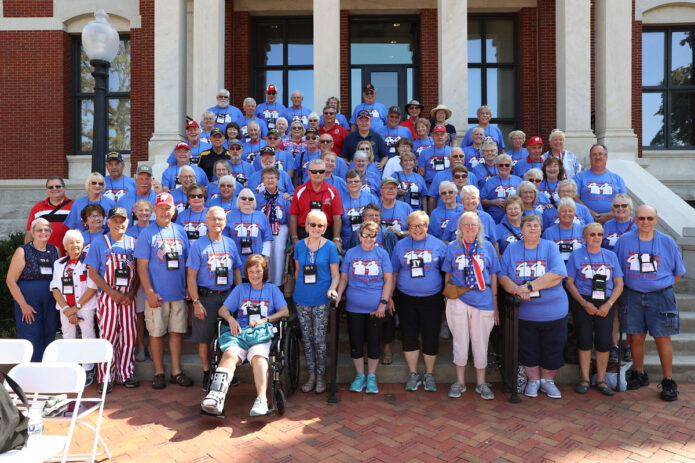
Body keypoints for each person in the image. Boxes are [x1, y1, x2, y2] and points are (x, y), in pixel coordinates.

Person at [200, 255, 290, 416]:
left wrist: (265, 319)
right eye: (251, 272)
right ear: (246, 273)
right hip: (240, 333)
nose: (255, 275)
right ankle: (216, 396)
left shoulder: (272, 290)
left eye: (258, 271)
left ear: (264, 272)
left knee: (259, 357)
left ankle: (261, 399)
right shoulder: (240, 289)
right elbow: (223, 310)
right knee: (229, 355)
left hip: (261, 334)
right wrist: (231, 319)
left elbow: (285, 311)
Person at [614, 205, 686, 401]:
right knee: (635, 337)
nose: (645, 222)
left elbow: (678, 272)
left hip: (660, 296)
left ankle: (668, 380)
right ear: (635, 219)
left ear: (656, 219)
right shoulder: (624, 241)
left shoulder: (667, 242)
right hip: (632, 295)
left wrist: (658, 286)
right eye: (641, 218)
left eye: (649, 218)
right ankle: (639, 372)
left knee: (663, 337)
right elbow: (618, 270)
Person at [499, 214, 568, 399]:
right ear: (521, 230)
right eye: (528, 225)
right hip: (525, 314)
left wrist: (528, 287)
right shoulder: (512, 249)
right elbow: (502, 275)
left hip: (554, 311)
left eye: (536, 225)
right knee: (528, 348)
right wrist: (515, 290)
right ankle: (533, 380)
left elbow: (558, 273)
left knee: (552, 347)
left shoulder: (550, 247)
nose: (532, 228)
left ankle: (548, 381)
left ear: (541, 229)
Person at [134, 192, 193, 389]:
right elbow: (141, 266)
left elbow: (186, 263)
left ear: (174, 210)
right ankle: (158, 372)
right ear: (155, 210)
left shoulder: (181, 231)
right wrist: (149, 291)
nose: (165, 211)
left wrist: (187, 288)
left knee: (176, 332)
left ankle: (176, 371)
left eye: (168, 208)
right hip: (157, 294)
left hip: (177, 292)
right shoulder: (147, 233)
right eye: (161, 208)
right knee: (157, 333)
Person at [442, 212, 501, 399]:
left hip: (483, 301)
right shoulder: (452, 247)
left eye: (473, 225)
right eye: (466, 225)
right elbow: (448, 274)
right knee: (460, 340)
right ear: (459, 227)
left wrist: (495, 303)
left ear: (479, 228)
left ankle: (481, 383)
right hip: (458, 299)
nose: (469, 228)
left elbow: (493, 276)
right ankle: (459, 382)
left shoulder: (488, 247)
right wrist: (448, 297)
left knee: (480, 342)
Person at [186, 206, 243, 389]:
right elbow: (191, 277)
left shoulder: (230, 243)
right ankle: (206, 373)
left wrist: (239, 294)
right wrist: (196, 302)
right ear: (206, 221)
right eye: (213, 219)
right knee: (205, 338)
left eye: (220, 219)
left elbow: (236, 270)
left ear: (225, 222)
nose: (217, 222)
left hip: (227, 296)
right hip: (206, 297)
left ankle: (224, 372)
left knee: (228, 337)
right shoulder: (198, 245)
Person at [390, 211, 447, 392]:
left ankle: (429, 374)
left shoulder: (439, 245)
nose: (417, 229)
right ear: (408, 227)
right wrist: (389, 297)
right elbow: (394, 273)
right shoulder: (400, 246)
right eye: (413, 226)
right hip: (406, 298)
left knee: (431, 335)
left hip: (432, 298)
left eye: (421, 225)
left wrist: (446, 295)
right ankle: (413, 373)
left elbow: (447, 272)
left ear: (427, 226)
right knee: (409, 335)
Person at [86, 207, 141, 392]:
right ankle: (106, 376)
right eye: (115, 220)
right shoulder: (98, 243)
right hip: (108, 298)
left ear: (127, 222)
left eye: (122, 220)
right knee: (108, 336)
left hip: (128, 298)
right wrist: (111, 292)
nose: (119, 224)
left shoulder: (134, 243)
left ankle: (126, 373)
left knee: (128, 336)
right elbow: (92, 272)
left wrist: (132, 293)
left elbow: (140, 271)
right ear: (108, 222)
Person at [565, 222, 624, 396]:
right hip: (583, 301)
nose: (596, 238)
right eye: (592, 234)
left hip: (606, 302)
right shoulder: (576, 255)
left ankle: (601, 379)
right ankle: (584, 378)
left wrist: (609, 304)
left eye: (599, 234)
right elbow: (569, 282)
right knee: (583, 339)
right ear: (585, 237)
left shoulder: (611, 256)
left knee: (604, 341)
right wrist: (584, 304)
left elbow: (619, 283)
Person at [337, 221, 393, 394]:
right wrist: (338, 296)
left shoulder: (382, 254)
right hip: (354, 307)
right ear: (359, 236)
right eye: (365, 235)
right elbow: (344, 278)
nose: (368, 238)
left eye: (372, 235)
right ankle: (360, 375)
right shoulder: (351, 254)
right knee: (356, 343)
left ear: (376, 237)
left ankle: (371, 377)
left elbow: (388, 280)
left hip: (376, 308)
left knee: (374, 343)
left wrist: (383, 303)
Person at [292, 210, 340, 393]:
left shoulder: (329, 247)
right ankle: (311, 375)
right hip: (302, 298)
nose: (316, 228)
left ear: (325, 228)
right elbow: (298, 271)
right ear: (306, 226)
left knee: (319, 339)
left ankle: (321, 376)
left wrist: (332, 288)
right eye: (313, 224)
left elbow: (335, 275)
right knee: (307, 338)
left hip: (321, 299)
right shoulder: (299, 246)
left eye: (320, 225)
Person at [7, 218, 60, 361]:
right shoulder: (22, 251)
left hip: (50, 299)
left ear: (51, 231)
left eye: (46, 229)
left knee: (49, 333)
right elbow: (11, 281)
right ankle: (30, 370)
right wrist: (23, 305)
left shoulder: (54, 250)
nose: (43, 232)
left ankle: (47, 367)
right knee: (32, 335)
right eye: (39, 230)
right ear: (33, 233)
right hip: (28, 300)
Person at [50, 230, 98, 386]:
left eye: (78, 242)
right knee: (67, 335)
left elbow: (92, 288)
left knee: (88, 335)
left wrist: (75, 308)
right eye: (71, 242)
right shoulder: (58, 264)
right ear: (65, 246)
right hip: (65, 308)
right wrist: (66, 309)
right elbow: (55, 287)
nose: (75, 245)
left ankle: (88, 368)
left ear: (83, 244)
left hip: (85, 306)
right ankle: (69, 366)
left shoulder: (89, 263)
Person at [289, 159, 343, 249]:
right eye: (314, 171)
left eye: (321, 171)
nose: (317, 174)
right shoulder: (299, 191)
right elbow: (293, 216)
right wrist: (294, 238)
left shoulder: (333, 191)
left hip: (325, 232)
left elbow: (337, 218)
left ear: (325, 173)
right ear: (309, 173)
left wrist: (336, 239)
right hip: (304, 232)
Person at [125, 199, 153, 362]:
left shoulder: (157, 229)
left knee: (153, 314)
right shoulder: (129, 232)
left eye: (146, 211)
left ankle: (151, 345)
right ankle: (141, 345)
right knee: (140, 314)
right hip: (135, 278)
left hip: (154, 277)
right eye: (140, 211)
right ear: (134, 212)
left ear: (151, 212)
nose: (143, 213)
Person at [255, 167, 292, 286]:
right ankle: (265, 281)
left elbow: (288, 217)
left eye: (273, 178)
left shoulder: (284, 198)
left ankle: (278, 284)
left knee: (279, 257)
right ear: (262, 180)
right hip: (263, 231)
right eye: (267, 178)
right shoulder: (258, 198)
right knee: (265, 256)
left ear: (278, 180)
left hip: (280, 229)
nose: (270, 180)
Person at [573, 144, 626, 224]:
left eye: (600, 154)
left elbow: (624, 203)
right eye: (594, 155)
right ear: (590, 158)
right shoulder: (579, 177)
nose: (598, 157)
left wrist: (609, 215)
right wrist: (592, 214)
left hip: (613, 223)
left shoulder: (617, 179)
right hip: (586, 222)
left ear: (606, 156)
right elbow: (574, 199)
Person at [223, 188, 273, 270]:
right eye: (243, 198)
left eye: (250, 199)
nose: (247, 201)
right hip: (236, 261)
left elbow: (266, 239)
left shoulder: (261, 216)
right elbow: (225, 239)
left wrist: (265, 258)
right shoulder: (230, 216)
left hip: (257, 261)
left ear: (254, 201)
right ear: (238, 200)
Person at [26, 177, 73, 256]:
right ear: (47, 190)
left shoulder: (75, 207)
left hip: (68, 256)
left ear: (64, 188)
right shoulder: (36, 209)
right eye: (51, 187)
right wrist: (29, 254)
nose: (54, 189)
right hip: (43, 256)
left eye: (58, 186)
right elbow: (30, 233)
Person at [340, 169, 380, 249]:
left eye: (356, 181)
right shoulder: (340, 199)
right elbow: (337, 221)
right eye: (350, 182)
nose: (353, 184)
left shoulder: (371, 198)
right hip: (347, 241)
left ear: (361, 182)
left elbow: (377, 219)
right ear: (346, 184)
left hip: (368, 239)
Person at [480, 153, 522, 223]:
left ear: (511, 166)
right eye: (501, 165)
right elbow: (482, 200)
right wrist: (493, 202)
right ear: (497, 166)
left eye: (507, 165)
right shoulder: (490, 181)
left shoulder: (519, 181)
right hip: (495, 220)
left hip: (515, 220)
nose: (504, 167)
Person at [542, 197, 585, 263]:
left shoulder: (583, 230)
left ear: (574, 213)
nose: (567, 213)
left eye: (570, 211)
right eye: (563, 211)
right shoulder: (548, 233)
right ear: (558, 213)